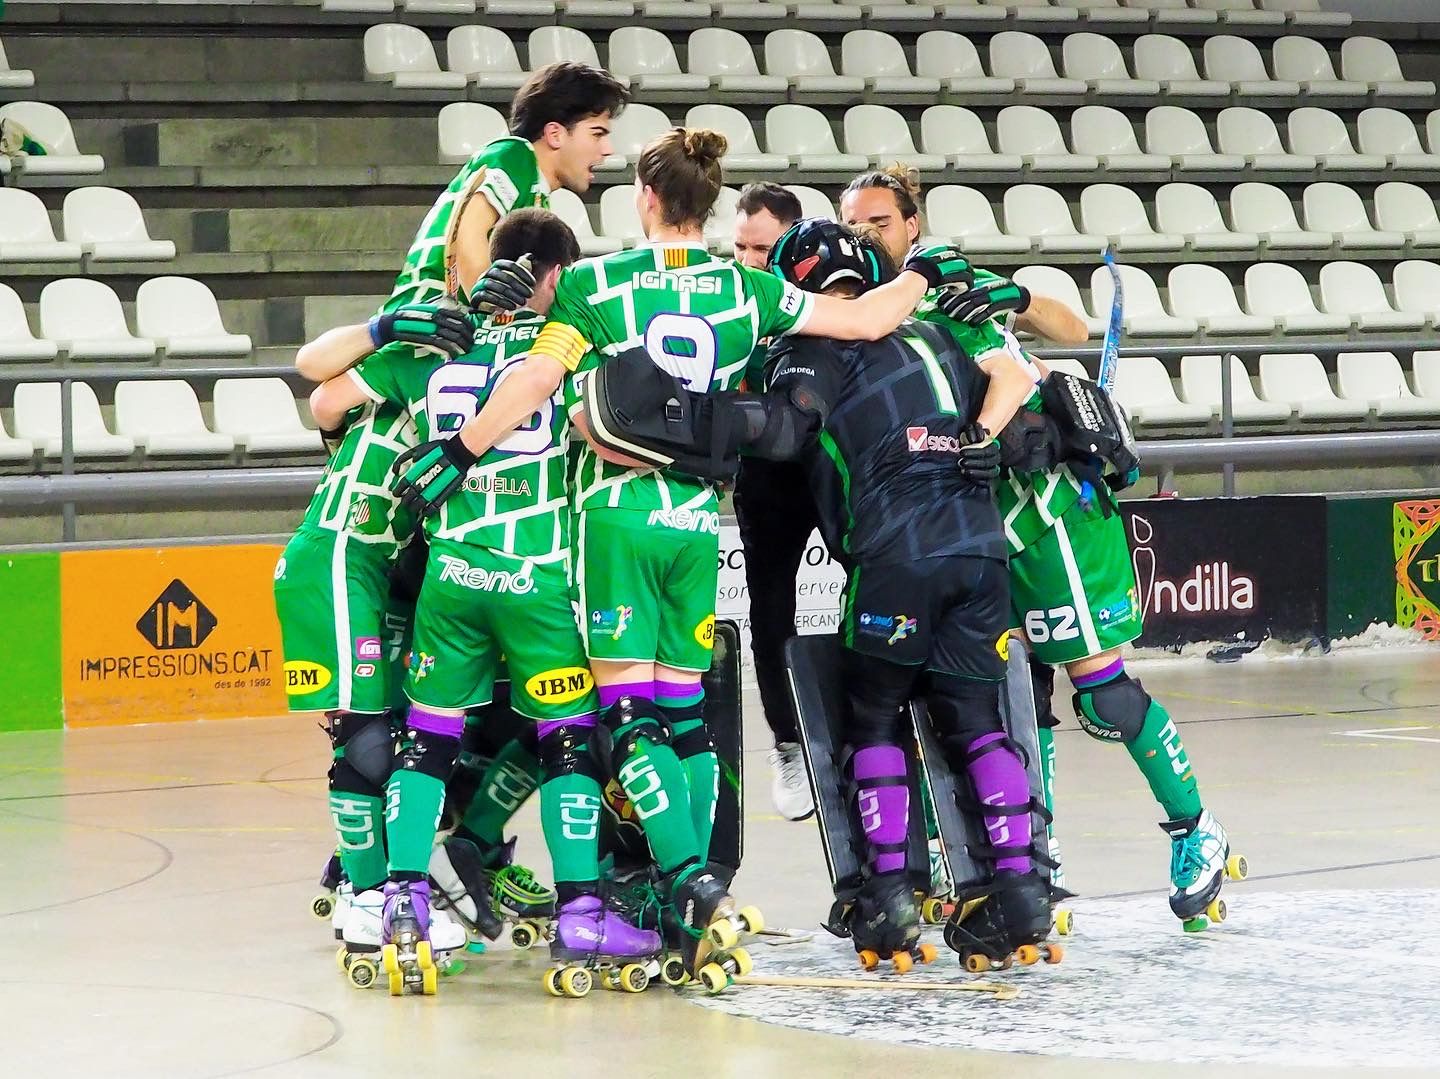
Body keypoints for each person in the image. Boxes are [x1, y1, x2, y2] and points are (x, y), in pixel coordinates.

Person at [392, 127, 978, 975]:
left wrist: (460, 447)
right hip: (700, 520)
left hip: (614, 517)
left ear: (644, 196)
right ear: (710, 205)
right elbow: (865, 318)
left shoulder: (592, 284)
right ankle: (693, 897)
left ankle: (691, 888)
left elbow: (535, 374)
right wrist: (923, 271)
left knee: (626, 716)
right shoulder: (748, 289)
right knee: (687, 719)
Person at [844, 167, 1239, 931]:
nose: (865, 234)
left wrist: (1013, 301)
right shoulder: (861, 310)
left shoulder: (943, 287)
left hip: (1047, 516)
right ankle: (1037, 857)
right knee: (1015, 700)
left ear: (912, 226)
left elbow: (1052, 344)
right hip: (971, 527)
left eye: (879, 221)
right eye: (852, 221)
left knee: (1105, 693)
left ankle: (1198, 829)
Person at [309, 208, 662, 986]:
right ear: (556, 274)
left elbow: (325, 400)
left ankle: (403, 900)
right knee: (568, 738)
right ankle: (582, 913)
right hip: (535, 578)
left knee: (426, 738)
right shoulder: (571, 343)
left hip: (451, 575)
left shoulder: (437, 348)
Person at [294, 62, 629, 383]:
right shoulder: (514, 154)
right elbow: (469, 231)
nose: (607, 149)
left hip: (445, 336)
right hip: (427, 323)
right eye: (597, 133)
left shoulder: (537, 196)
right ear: (555, 133)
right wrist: (484, 295)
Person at [728, 182, 817, 820]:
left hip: (835, 469)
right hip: (765, 478)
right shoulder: (730, 301)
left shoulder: (831, 297)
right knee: (770, 612)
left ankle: (867, 730)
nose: (747, 260)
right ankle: (788, 745)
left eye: (760, 249)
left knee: (874, 594)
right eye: (739, 247)